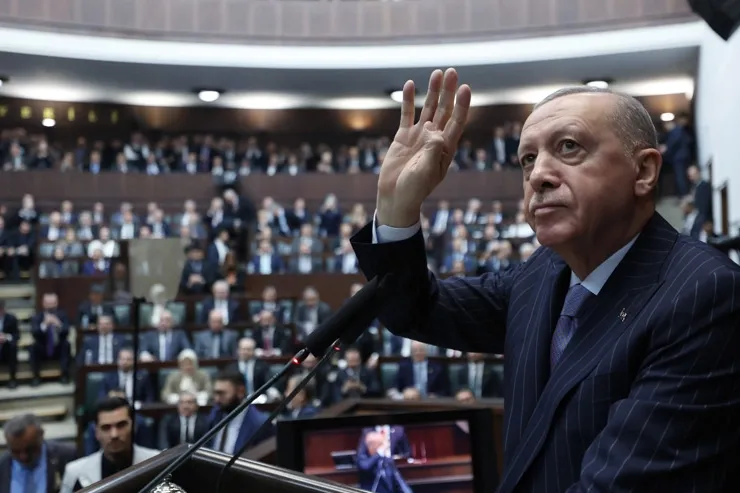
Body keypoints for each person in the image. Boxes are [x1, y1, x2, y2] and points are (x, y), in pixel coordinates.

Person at [350, 68, 740, 492]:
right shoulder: (543, 272)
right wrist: (396, 207)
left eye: (569, 147)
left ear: (643, 170)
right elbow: (418, 310)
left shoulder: (704, 295)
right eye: (528, 160)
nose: (538, 175)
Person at [60, 397, 159, 492]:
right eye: (106, 427)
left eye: (121, 425)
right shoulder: (76, 472)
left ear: (133, 427)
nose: (114, 435)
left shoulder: (158, 462)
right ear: (96, 432)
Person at [0, 414, 76, 493]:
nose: (23, 456)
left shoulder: (67, 456)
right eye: (16, 451)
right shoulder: (2, 466)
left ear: (41, 435)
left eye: (30, 449)